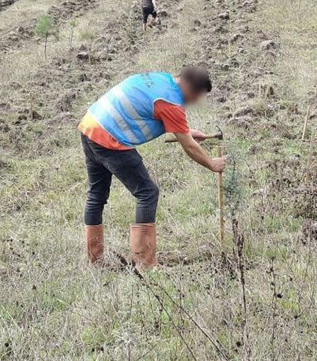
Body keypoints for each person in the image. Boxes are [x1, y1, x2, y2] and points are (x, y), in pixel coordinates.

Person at [78, 66, 225, 269]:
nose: (194, 103)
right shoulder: (171, 103)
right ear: (192, 90)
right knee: (147, 192)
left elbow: (149, 110)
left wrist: (186, 131)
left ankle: (96, 260)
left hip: (90, 125)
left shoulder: (162, 80)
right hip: (109, 139)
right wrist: (211, 164)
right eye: (197, 97)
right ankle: (145, 263)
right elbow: (189, 146)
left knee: (96, 194)